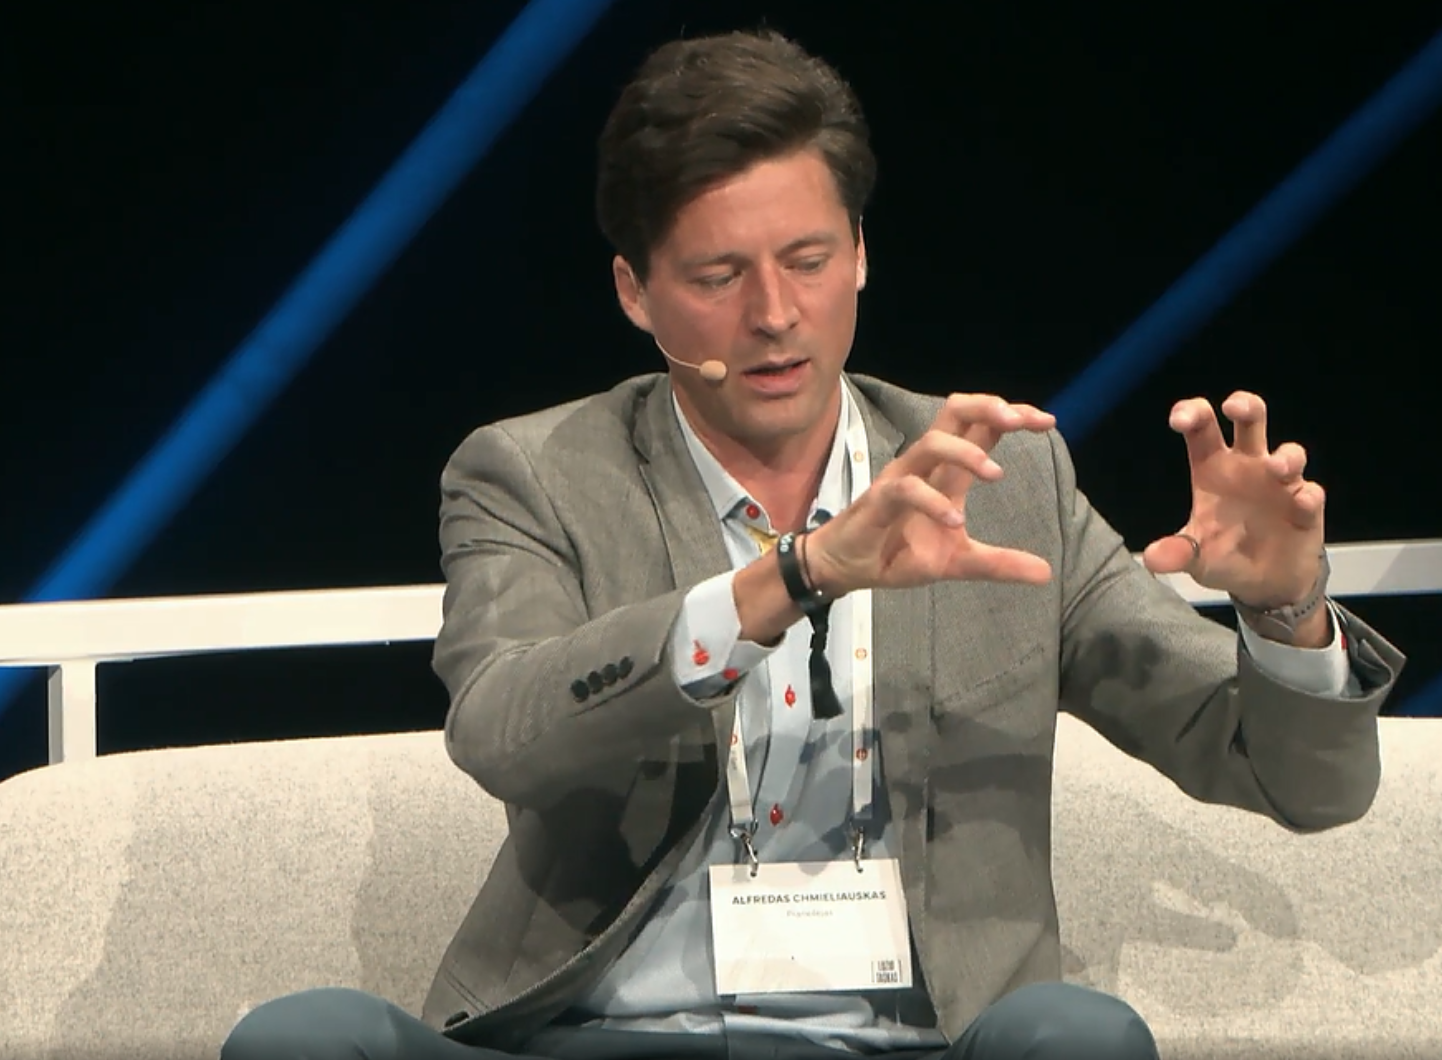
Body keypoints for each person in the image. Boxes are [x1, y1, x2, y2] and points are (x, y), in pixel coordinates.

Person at [222, 26, 1404, 1060]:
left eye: (807, 260)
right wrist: (795, 574)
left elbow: (1297, 783)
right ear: (634, 290)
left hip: (910, 1038)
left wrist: (1282, 614)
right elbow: (501, 730)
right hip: (597, 1032)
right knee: (302, 1037)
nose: (774, 314)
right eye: (718, 275)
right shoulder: (533, 474)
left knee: (1078, 1034)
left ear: (860, 252)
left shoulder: (1000, 483)